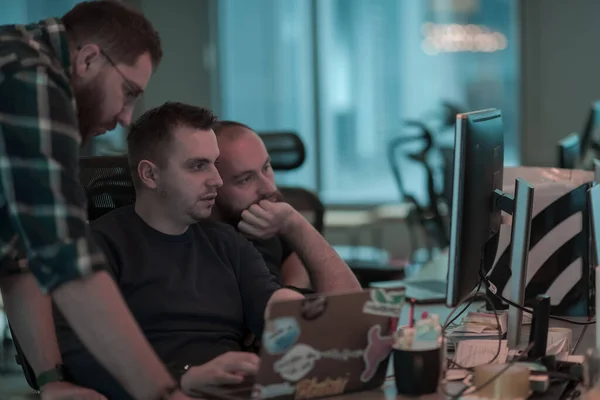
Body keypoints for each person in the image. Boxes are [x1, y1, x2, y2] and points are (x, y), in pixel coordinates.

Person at [0, 2, 193, 399]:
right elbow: (68, 260)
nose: (127, 117)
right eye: (128, 92)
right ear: (88, 59)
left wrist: (53, 382)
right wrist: (163, 394)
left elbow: (20, 258)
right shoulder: (33, 74)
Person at [54, 102, 305, 399]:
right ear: (150, 175)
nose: (217, 179)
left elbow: (270, 314)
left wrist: (292, 308)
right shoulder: (97, 246)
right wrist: (183, 379)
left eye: (214, 163)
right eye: (198, 166)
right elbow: (79, 358)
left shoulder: (227, 243)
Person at [212, 121, 361, 292]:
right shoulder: (224, 249)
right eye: (245, 179)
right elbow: (346, 305)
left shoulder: (261, 220)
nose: (269, 188)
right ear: (211, 187)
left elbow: (294, 257)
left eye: (266, 168)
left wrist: (292, 288)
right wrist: (295, 225)